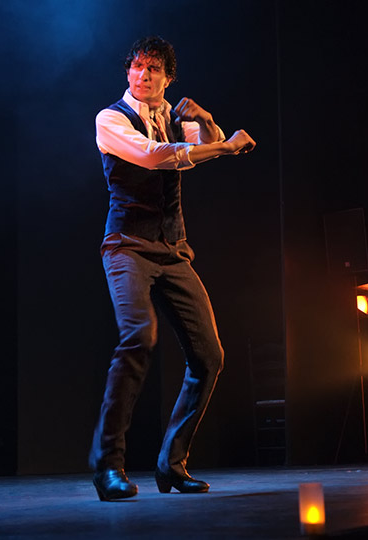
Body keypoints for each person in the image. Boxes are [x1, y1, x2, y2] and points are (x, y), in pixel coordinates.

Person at [89, 36, 256, 501]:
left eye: (155, 69)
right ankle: (107, 465)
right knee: (138, 337)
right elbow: (157, 157)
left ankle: (172, 463)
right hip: (127, 246)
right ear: (128, 73)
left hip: (173, 249)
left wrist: (203, 120)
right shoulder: (110, 119)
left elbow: (201, 148)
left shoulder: (170, 116)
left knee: (209, 357)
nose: (145, 76)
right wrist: (223, 148)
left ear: (168, 78)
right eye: (139, 67)